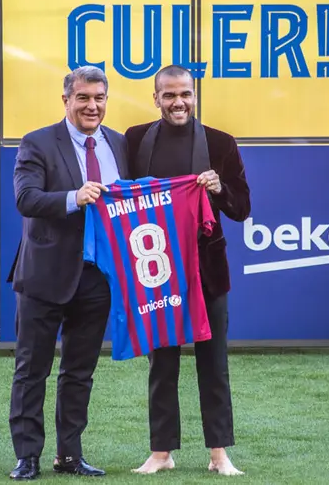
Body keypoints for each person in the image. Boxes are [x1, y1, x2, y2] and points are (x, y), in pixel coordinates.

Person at [124, 64, 251, 477]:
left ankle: (219, 454)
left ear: (195, 96)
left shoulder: (220, 143)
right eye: (169, 95)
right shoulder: (135, 139)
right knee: (162, 364)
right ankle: (161, 452)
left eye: (185, 95)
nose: (178, 102)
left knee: (213, 363)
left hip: (207, 272)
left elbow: (242, 208)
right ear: (156, 98)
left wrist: (218, 189)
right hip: (156, 271)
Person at [7, 65, 128, 480]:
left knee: (79, 374)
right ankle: (27, 457)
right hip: (44, 276)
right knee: (31, 370)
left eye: (99, 98)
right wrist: (74, 198)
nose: (91, 106)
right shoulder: (36, 142)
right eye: (83, 98)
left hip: (96, 277)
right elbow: (26, 199)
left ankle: (70, 457)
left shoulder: (120, 144)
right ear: (66, 100)